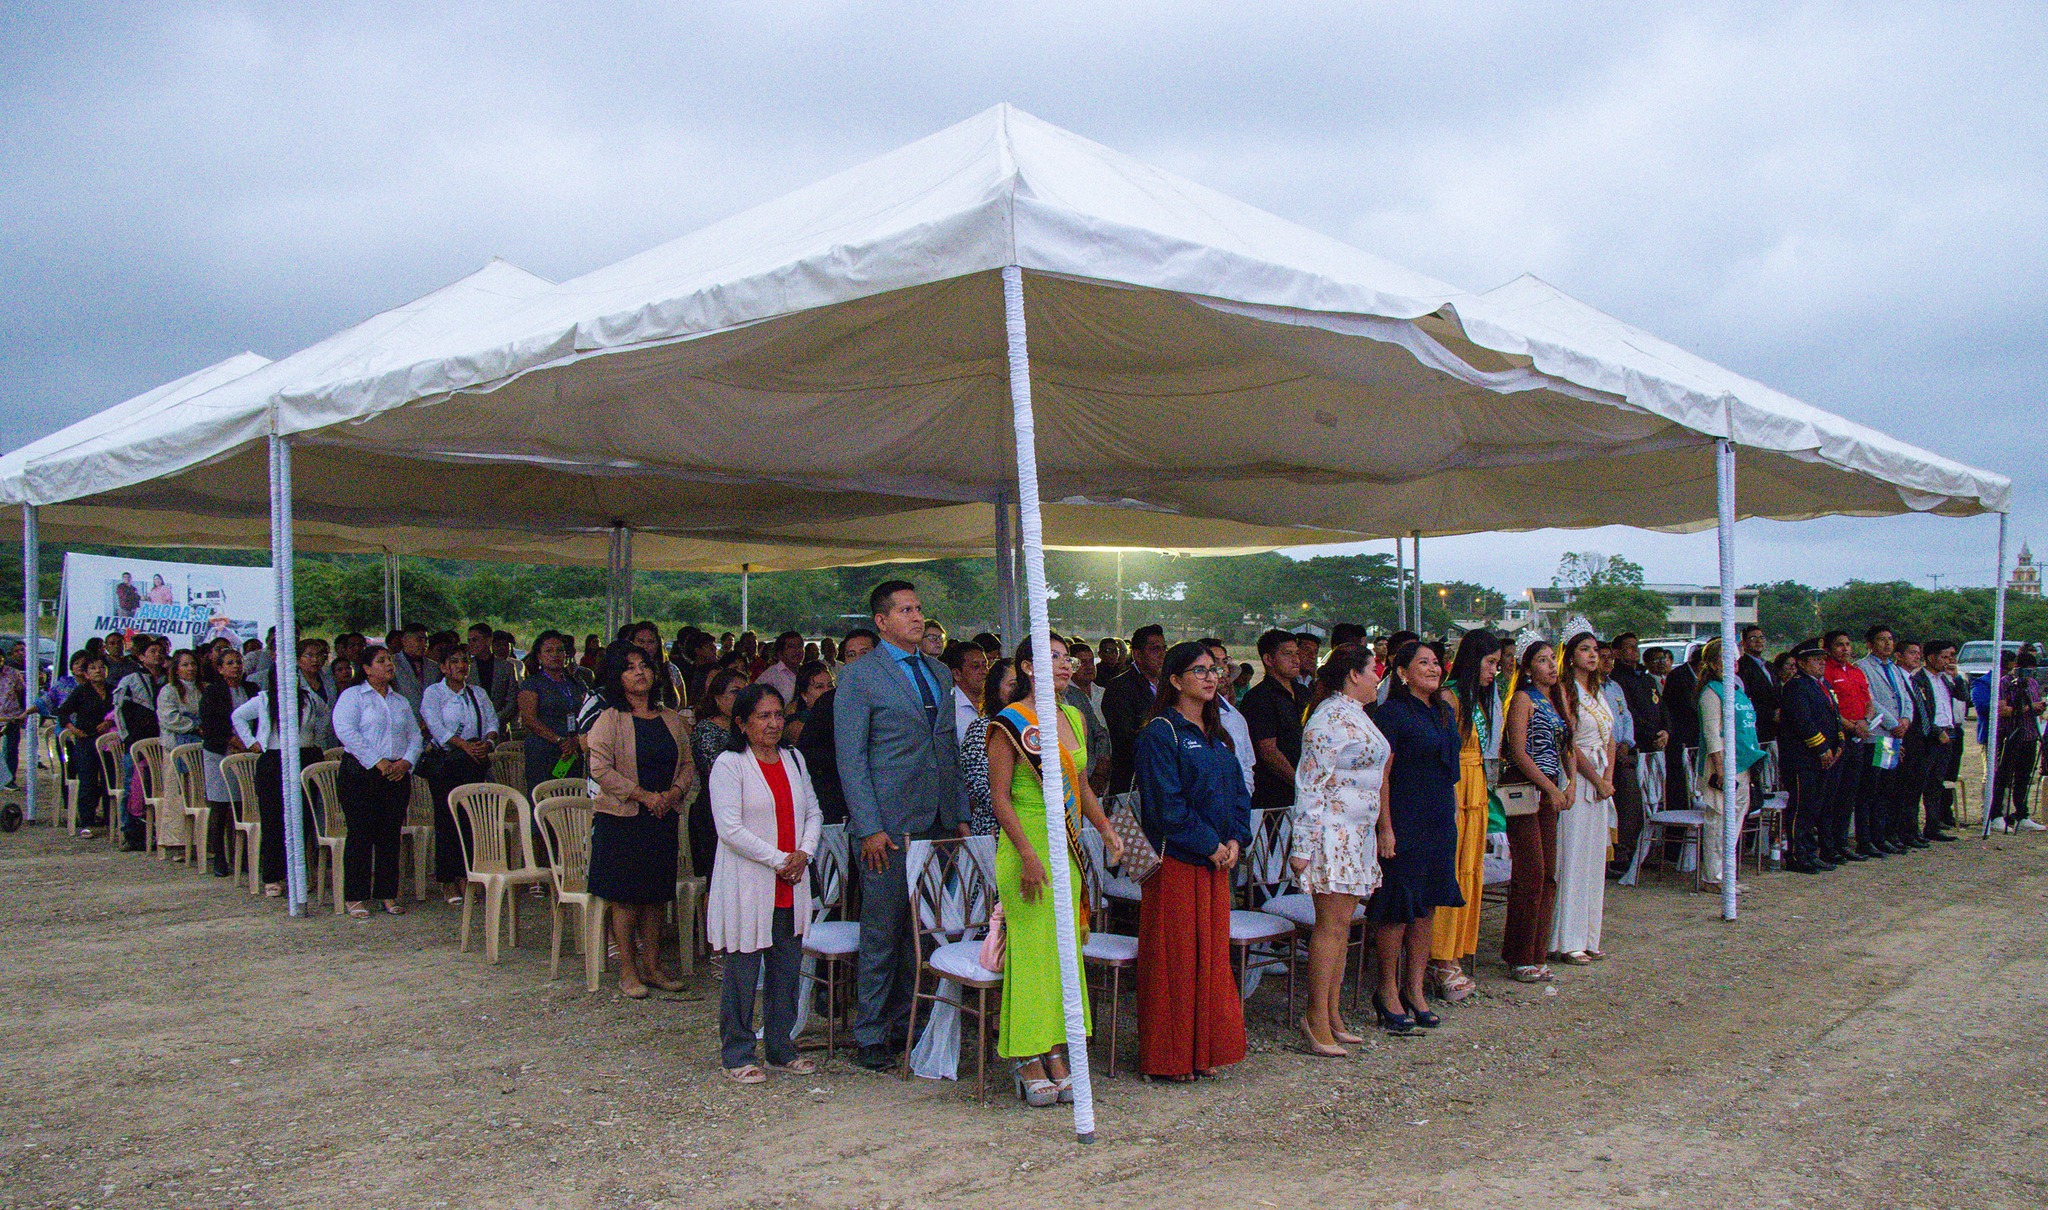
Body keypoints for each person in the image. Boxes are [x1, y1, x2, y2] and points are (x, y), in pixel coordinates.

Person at [833, 580, 970, 1072]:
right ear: (882, 621)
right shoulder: (860, 676)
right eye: (906, 610)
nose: (917, 617)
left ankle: (908, 1024)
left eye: (919, 608)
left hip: (937, 820)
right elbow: (851, 758)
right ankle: (870, 1032)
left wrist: (959, 814)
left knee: (925, 931)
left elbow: (948, 747)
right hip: (887, 826)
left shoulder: (937, 670)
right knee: (883, 930)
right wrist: (868, 826)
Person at [987, 634, 1122, 1105]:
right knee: (1032, 953)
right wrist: (1026, 855)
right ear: (1027, 667)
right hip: (1024, 846)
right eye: (1054, 658)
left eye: (1068, 659)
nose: (1066, 665)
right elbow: (999, 798)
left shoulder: (1073, 717)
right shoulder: (1009, 723)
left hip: (1066, 848)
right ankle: (1027, 1054)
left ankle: (1058, 1050)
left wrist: (1105, 828)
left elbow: (1080, 783)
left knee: (1063, 954)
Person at [1133, 640, 1251, 1080]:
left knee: (1211, 959)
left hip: (1216, 863)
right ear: (1176, 680)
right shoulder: (1160, 733)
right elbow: (1167, 805)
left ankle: (1204, 1053)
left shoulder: (1217, 735)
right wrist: (1209, 844)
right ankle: (1170, 1058)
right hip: (1176, 864)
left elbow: (1239, 794)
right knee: (1175, 960)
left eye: (1214, 669)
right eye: (1199, 670)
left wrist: (1235, 838)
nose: (1210, 677)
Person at [708, 682, 821, 1081]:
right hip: (750, 882)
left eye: (778, 715)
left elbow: (813, 812)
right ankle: (737, 1053)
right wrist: (780, 860)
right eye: (763, 716)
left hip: (791, 879)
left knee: (786, 968)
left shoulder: (794, 758)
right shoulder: (729, 764)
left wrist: (804, 852)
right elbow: (729, 829)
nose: (773, 724)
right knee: (742, 970)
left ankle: (780, 1047)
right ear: (742, 723)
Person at [1290, 643, 1389, 1055]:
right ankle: (1315, 1018)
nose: (1377, 677)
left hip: (1358, 832)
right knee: (1330, 928)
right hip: (1331, 833)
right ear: (1353, 675)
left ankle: (1331, 1013)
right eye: (1372, 670)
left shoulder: (1357, 714)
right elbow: (1310, 783)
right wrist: (1302, 844)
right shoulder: (1327, 718)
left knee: (1343, 927)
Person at [586, 643, 695, 1000]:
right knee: (625, 898)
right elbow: (600, 769)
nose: (639, 672)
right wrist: (643, 795)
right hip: (623, 819)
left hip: (662, 816)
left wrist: (673, 794)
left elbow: (687, 764)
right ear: (618, 677)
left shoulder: (671, 718)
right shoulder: (610, 718)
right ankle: (627, 971)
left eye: (644, 665)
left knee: (656, 895)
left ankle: (653, 966)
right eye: (630, 667)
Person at [1368, 640, 1464, 1033]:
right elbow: (1382, 775)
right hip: (1404, 819)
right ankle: (1387, 990)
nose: (1433, 668)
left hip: (1438, 818)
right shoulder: (1391, 713)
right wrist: (1385, 828)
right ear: (1402, 672)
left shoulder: (1443, 710)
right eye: (1423, 663)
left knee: (1427, 905)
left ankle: (1414, 988)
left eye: (1436, 662)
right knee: (1398, 907)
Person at [1428, 630, 1501, 1003]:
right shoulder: (1450, 696)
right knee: (1451, 872)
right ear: (1473, 660)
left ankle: (1456, 951)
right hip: (1456, 790)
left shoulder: (1479, 699)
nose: (1494, 671)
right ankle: (1440, 958)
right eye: (1490, 663)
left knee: (1470, 871)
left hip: (1477, 790)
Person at [230, 640, 332, 896]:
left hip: (305, 756)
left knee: (304, 818)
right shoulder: (265, 700)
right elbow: (238, 716)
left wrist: (317, 741)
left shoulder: (308, 698)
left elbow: (325, 715)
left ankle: (300, 873)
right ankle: (273, 876)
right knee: (273, 819)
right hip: (274, 760)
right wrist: (252, 742)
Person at [330, 647, 422, 918]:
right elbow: (346, 730)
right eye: (381, 661)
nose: (389, 664)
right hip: (361, 773)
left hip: (396, 773)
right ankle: (355, 896)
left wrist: (406, 762)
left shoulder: (399, 700)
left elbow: (415, 736)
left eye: (390, 660)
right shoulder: (353, 696)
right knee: (360, 833)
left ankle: (387, 893)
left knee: (390, 834)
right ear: (367, 669)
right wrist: (376, 761)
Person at [1501, 637, 1571, 982]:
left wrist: (1569, 783)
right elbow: (1518, 751)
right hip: (1526, 789)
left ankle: (1537, 951)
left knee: (1549, 874)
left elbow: (1566, 746)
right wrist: (1551, 787)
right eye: (1542, 660)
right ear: (1528, 668)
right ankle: (1519, 955)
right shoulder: (1523, 699)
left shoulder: (1556, 699)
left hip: (1551, 788)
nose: (1551, 665)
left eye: (1552, 659)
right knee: (1531, 871)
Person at [1548, 631, 1612, 961]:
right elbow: (1569, 742)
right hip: (1576, 774)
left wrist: (1607, 779)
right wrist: (1594, 780)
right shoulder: (1564, 690)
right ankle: (1566, 939)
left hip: (1600, 776)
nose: (1592, 655)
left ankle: (1588, 935)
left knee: (1593, 858)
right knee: (1572, 855)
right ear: (1571, 655)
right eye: (1585, 649)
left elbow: (1609, 737)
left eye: (1595, 649)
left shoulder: (1598, 691)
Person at [420, 646, 500, 901]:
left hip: (472, 763)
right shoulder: (434, 693)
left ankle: (468, 875)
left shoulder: (477, 692)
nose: (460, 666)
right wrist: (463, 745)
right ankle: (447, 879)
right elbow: (435, 726)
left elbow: (492, 721)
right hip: (446, 764)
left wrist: (487, 743)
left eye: (464, 661)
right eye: (453, 661)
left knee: (470, 820)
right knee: (447, 821)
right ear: (444, 667)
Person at [1696, 638, 1766, 891]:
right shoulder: (1711, 692)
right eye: (1727, 658)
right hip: (1721, 766)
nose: (1733, 663)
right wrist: (1720, 769)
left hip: (1742, 762)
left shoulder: (1736, 689)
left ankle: (1726, 874)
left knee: (1735, 820)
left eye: (1735, 659)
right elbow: (1712, 734)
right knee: (1719, 820)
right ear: (1714, 663)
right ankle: (1712, 877)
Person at [795, 629, 875, 827]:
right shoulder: (828, 703)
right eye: (851, 655)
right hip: (839, 805)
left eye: (865, 653)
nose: (858, 661)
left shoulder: (897, 697)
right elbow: (809, 755)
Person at [1778, 638, 1844, 873]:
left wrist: (1839, 742)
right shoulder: (1796, 686)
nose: (1821, 664)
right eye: (1816, 660)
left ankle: (1809, 851)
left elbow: (1835, 716)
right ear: (1802, 663)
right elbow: (1803, 722)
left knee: (1814, 807)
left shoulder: (1821, 684)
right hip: (1803, 758)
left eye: (1822, 659)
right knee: (1800, 807)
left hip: (1822, 757)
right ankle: (1796, 854)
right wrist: (1822, 748)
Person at [1822, 630, 1884, 857]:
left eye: (1848, 644)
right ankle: (1828, 846)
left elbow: (1869, 702)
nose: (1845, 649)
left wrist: (1865, 721)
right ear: (1828, 648)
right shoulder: (1827, 671)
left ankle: (1842, 843)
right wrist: (1851, 725)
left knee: (1850, 792)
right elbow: (1830, 707)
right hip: (1839, 737)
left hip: (1861, 737)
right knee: (1833, 793)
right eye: (1840, 645)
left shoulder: (1856, 671)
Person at [1856, 625, 1916, 855]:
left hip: (1893, 738)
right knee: (1871, 789)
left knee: (1886, 789)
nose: (1887, 644)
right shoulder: (1863, 667)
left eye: (1890, 639)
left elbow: (1905, 697)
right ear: (1870, 644)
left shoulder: (1894, 668)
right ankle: (1867, 838)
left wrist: (1906, 719)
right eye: (1881, 639)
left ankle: (1882, 836)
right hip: (1878, 735)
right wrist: (1893, 724)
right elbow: (1871, 701)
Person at [198, 649, 253, 875]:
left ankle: (245, 856)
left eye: (238, 662)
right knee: (220, 805)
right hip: (219, 752)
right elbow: (209, 724)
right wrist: (232, 740)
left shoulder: (252, 689)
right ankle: (219, 856)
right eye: (230, 663)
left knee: (245, 805)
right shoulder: (212, 692)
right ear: (220, 669)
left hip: (247, 753)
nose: (236, 666)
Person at [1239, 629, 1305, 814]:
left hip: (1305, 791)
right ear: (1268, 659)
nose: (1296, 660)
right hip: (1273, 798)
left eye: (1297, 654)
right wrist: (1300, 784)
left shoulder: (1304, 693)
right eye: (1288, 654)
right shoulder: (1258, 698)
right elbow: (1268, 751)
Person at [689, 669, 747, 876]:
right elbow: (714, 770)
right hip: (716, 809)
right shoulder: (706, 729)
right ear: (717, 697)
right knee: (720, 874)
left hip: (748, 807)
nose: (742, 697)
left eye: (745, 692)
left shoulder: (749, 727)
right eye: (735, 692)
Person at [1980, 649, 2045, 832]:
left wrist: (2038, 708)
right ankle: (1996, 815)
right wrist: (2028, 707)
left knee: (2024, 778)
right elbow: (2003, 710)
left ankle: (2021, 814)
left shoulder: (2033, 683)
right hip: (2010, 735)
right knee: (2003, 777)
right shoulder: (2005, 683)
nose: (2029, 675)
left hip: (2029, 735)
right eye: (2026, 670)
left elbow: (2036, 704)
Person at [518, 631, 589, 790]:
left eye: (559, 650)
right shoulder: (533, 683)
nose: (555, 655)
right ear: (539, 656)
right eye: (549, 651)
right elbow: (529, 719)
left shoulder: (575, 682)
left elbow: (588, 713)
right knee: (544, 795)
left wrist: (575, 740)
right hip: (543, 750)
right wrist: (559, 740)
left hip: (572, 749)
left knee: (571, 796)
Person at [1594, 640, 1639, 882]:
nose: (1607, 662)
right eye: (1603, 657)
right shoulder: (1589, 688)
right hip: (1600, 754)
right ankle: (1604, 859)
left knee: (1628, 807)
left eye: (1610, 657)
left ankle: (1622, 853)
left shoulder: (1615, 687)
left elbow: (1626, 716)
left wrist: (1626, 742)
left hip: (1621, 752)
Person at [55, 654, 114, 838]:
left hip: (109, 742)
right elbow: (62, 712)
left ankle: (111, 820)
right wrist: (73, 729)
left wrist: (109, 722)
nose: (98, 671)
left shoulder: (113, 690)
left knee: (110, 779)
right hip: (86, 740)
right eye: (93, 668)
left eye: (101, 667)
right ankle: (87, 822)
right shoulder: (81, 691)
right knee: (88, 781)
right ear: (86, 674)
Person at [1102, 625, 1166, 794]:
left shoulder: (1168, 685)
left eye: (1164, 648)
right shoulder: (1120, 687)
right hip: (1134, 779)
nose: (1162, 655)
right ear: (1137, 654)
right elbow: (1124, 738)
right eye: (1155, 649)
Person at [1912, 641, 1964, 842]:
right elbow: (1921, 711)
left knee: (1936, 782)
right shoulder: (1919, 679)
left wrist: (1956, 676)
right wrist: (1935, 731)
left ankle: (1933, 826)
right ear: (1931, 657)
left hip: (1948, 732)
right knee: (1920, 782)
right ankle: (1911, 828)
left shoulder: (1945, 678)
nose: (1947, 661)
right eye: (1944, 657)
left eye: (1950, 657)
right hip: (1930, 735)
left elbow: (1963, 696)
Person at [1888, 640, 1935, 850]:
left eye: (1918, 653)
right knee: (1900, 789)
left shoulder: (1915, 680)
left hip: (1920, 741)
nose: (1917, 657)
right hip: (1903, 739)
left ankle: (1911, 830)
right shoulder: (1896, 676)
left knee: (1915, 788)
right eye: (1912, 653)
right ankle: (1897, 831)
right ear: (1899, 655)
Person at [960, 658, 1014, 836]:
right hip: (994, 829)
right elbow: (979, 787)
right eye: (1012, 685)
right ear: (995, 689)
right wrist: (1020, 811)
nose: (1019, 690)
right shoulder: (981, 728)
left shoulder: (1032, 728)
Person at [1201, 638, 1257, 800]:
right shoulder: (1174, 720)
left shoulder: (1234, 717)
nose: (1222, 669)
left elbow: (1246, 765)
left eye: (1224, 662)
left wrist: (1241, 801)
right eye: (1214, 662)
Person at [942, 640, 989, 747]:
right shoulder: (948, 707)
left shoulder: (993, 702)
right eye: (976, 666)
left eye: (985, 665)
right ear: (957, 674)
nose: (984, 671)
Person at [1737, 625, 1778, 744]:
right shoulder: (1742, 667)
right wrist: (1770, 714)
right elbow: (1745, 699)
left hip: (1775, 727)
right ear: (1743, 643)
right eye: (1753, 638)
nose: (1758, 641)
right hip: (1757, 726)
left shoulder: (1769, 666)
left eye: (1761, 638)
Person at [781, 660, 833, 748]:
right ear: (804, 695)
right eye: (819, 687)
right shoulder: (798, 725)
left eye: (830, 685)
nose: (827, 691)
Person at [390, 625, 436, 721]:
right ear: (405, 641)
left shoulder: (434, 667)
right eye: (419, 640)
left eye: (426, 640)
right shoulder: (391, 663)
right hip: (403, 720)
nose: (424, 644)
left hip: (431, 722)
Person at [0, 643, 25, 792]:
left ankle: (9, 780)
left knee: (11, 749)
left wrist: (22, 714)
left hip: (11, 717)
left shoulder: (13, 673)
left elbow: (21, 692)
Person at [757, 631, 805, 702]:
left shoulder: (807, 671)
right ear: (780, 652)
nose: (798, 651)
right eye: (791, 647)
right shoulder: (770, 675)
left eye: (800, 646)